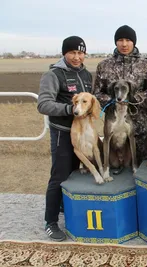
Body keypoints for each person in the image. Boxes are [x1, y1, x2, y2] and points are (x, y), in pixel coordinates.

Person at [37, 36, 91, 241]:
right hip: (61, 132)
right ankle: (50, 222)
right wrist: (70, 109)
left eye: (80, 53)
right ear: (64, 53)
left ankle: (66, 208)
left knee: (77, 173)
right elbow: (43, 104)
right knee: (59, 176)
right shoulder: (54, 74)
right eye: (72, 53)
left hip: (81, 134)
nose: (76, 57)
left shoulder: (86, 74)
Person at [92, 25, 147, 165]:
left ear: (134, 42)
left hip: (141, 132)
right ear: (115, 42)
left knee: (142, 174)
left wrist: (132, 99)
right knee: (116, 177)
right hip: (115, 134)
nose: (124, 44)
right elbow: (96, 94)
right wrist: (114, 100)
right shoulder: (104, 65)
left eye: (128, 40)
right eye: (120, 40)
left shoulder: (146, 65)